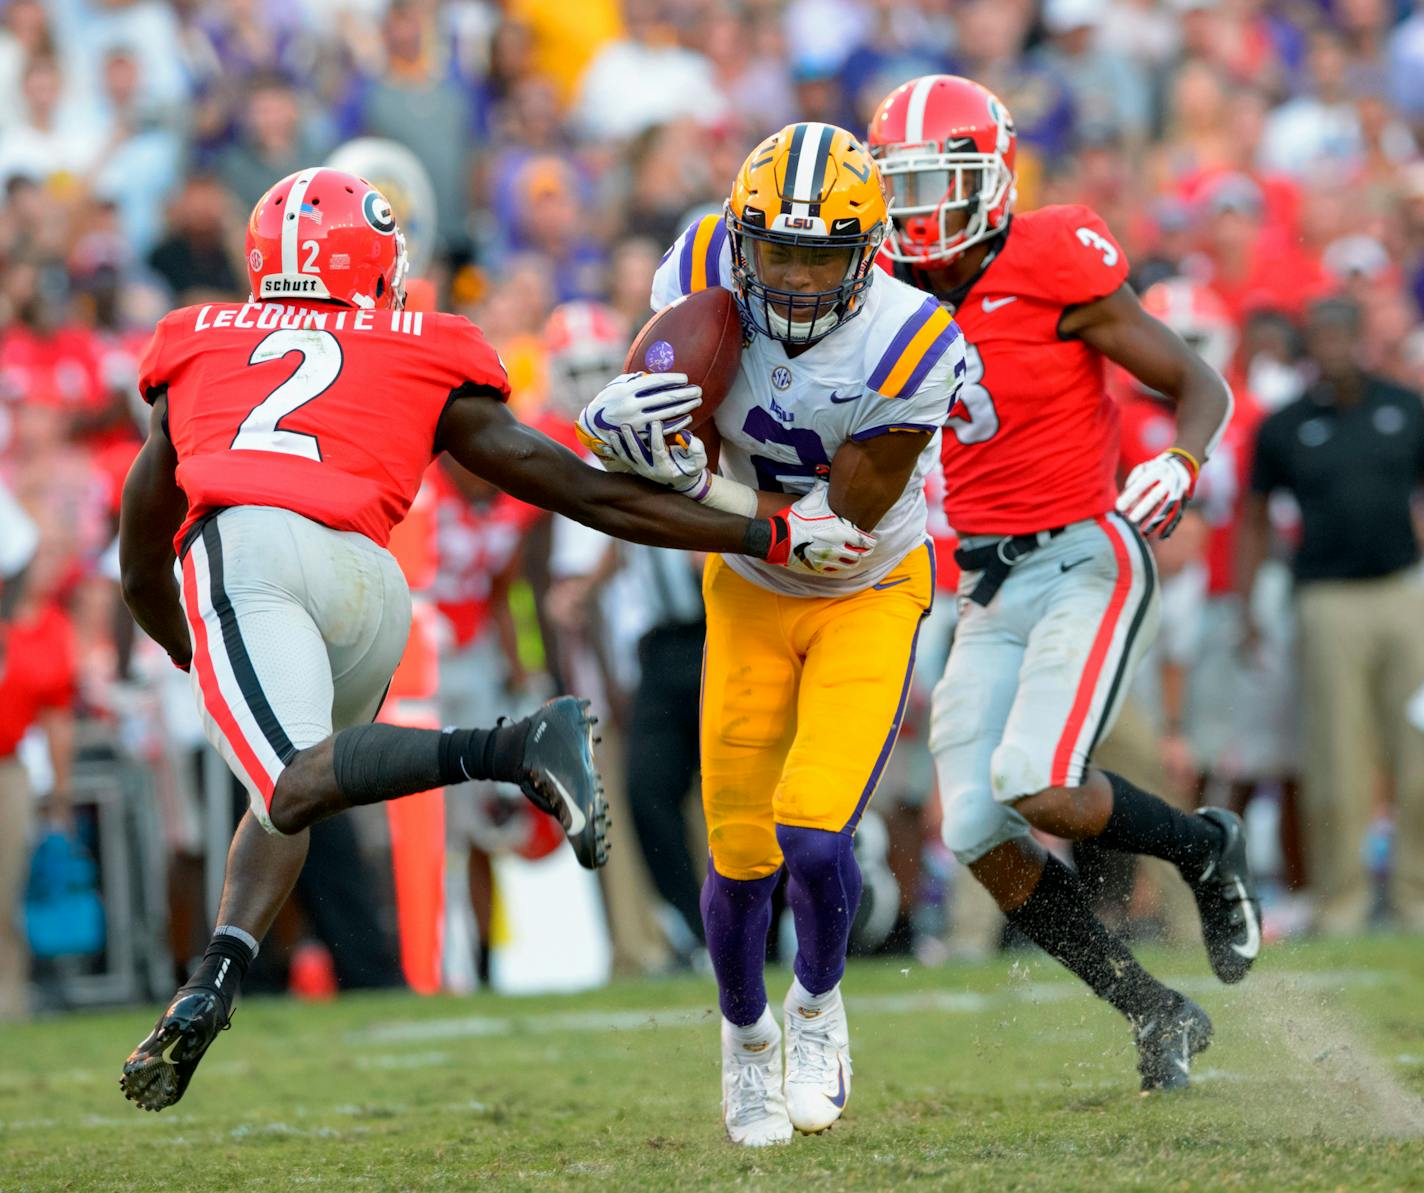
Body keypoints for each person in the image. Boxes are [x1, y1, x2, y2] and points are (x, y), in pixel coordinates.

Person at [116, 167, 864, 1113]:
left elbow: (141, 555)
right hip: (372, 586)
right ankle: (213, 980)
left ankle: (513, 746)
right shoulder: (422, 345)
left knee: (284, 775)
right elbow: (580, 491)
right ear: (382, 262)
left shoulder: (196, 344)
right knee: (296, 793)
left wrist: (191, 651)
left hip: (252, 547)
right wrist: (767, 527)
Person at [577, 122, 966, 1145]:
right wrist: (628, 423)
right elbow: (674, 417)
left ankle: (816, 1007)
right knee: (740, 848)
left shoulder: (912, 338)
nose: (790, 277)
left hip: (862, 583)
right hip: (747, 583)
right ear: (740, 237)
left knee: (813, 828)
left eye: (817, 254)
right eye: (775, 250)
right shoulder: (699, 264)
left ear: (867, 252)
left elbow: (832, 532)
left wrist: (683, 473)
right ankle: (744, 1041)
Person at [867, 75, 1254, 1092]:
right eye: (899, 191)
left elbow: (1194, 381)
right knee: (976, 830)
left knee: (1033, 779)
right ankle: (1150, 1007)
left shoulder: (1048, 259)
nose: (916, 217)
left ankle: (1203, 847)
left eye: (936, 188)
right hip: (982, 586)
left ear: (988, 181)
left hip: (1083, 550)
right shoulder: (880, 292)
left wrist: (1183, 457)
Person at [1239, 295, 1424, 935]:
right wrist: (1247, 606)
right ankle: (1341, 902)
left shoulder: (1405, 408)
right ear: (1308, 347)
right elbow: (1255, 519)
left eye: (1343, 334)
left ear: (1362, 338)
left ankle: (1414, 899)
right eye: (1321, 337)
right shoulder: (1285, 424)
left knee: (1418, 750)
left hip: (1402, 592)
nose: (1333, 347)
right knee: (1337, 756)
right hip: (1324, 600)